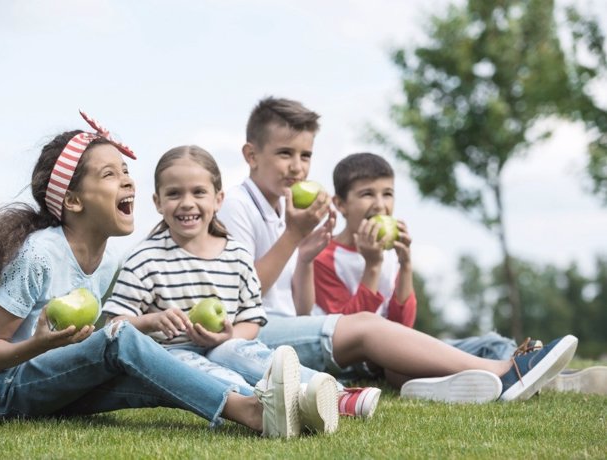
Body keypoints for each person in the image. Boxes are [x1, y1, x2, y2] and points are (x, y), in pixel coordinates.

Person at [0, 111, 310, 438]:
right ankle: (249, 411)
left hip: (44, 380)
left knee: (150, 364)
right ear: (73, 200)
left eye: (127, 171)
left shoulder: (109, 257)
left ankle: (280, 402)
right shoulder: (38, 255)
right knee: (120, 339)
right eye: (110, 174)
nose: (128, 181)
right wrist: (42, 343)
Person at [216, 95, 579, 403]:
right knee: (368, 328)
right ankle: (505, 371)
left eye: (305, 155)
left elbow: (299, 309)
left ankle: (519, 370)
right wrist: (294, 238)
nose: (297, 167)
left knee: (426, 338)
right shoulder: (237, 205)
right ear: (251, 154)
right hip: (251, 334)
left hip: (285, 325)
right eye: (284, 154)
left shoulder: (285, 208)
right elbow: (240, 298)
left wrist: (304, 256)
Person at [314, 151, 607, 396]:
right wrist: (373, 266)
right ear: (340, 204)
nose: (380, 204)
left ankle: (548, 376)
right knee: (398, 367)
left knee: (491, 343)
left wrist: (405, 266)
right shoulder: (326, 258)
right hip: (366, 363)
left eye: (387, 193)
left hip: (394, 346)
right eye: (367, 194)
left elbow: (404, 324)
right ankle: (481, 380)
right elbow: (346, 332)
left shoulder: (388, 253)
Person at [102, 145, 339, 433]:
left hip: (224, 344)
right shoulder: (144, 259)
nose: (187, 202)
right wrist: (149, 320)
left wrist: (228, 335)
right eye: (174, 193)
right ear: (158, 202)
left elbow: (251, 319)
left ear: (218, 199)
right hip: (171, 353)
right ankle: (267, 404)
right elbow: (113, 326)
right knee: (193, 365)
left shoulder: (236, 256)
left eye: (198, 193)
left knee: (240, 351)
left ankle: (335, 395)